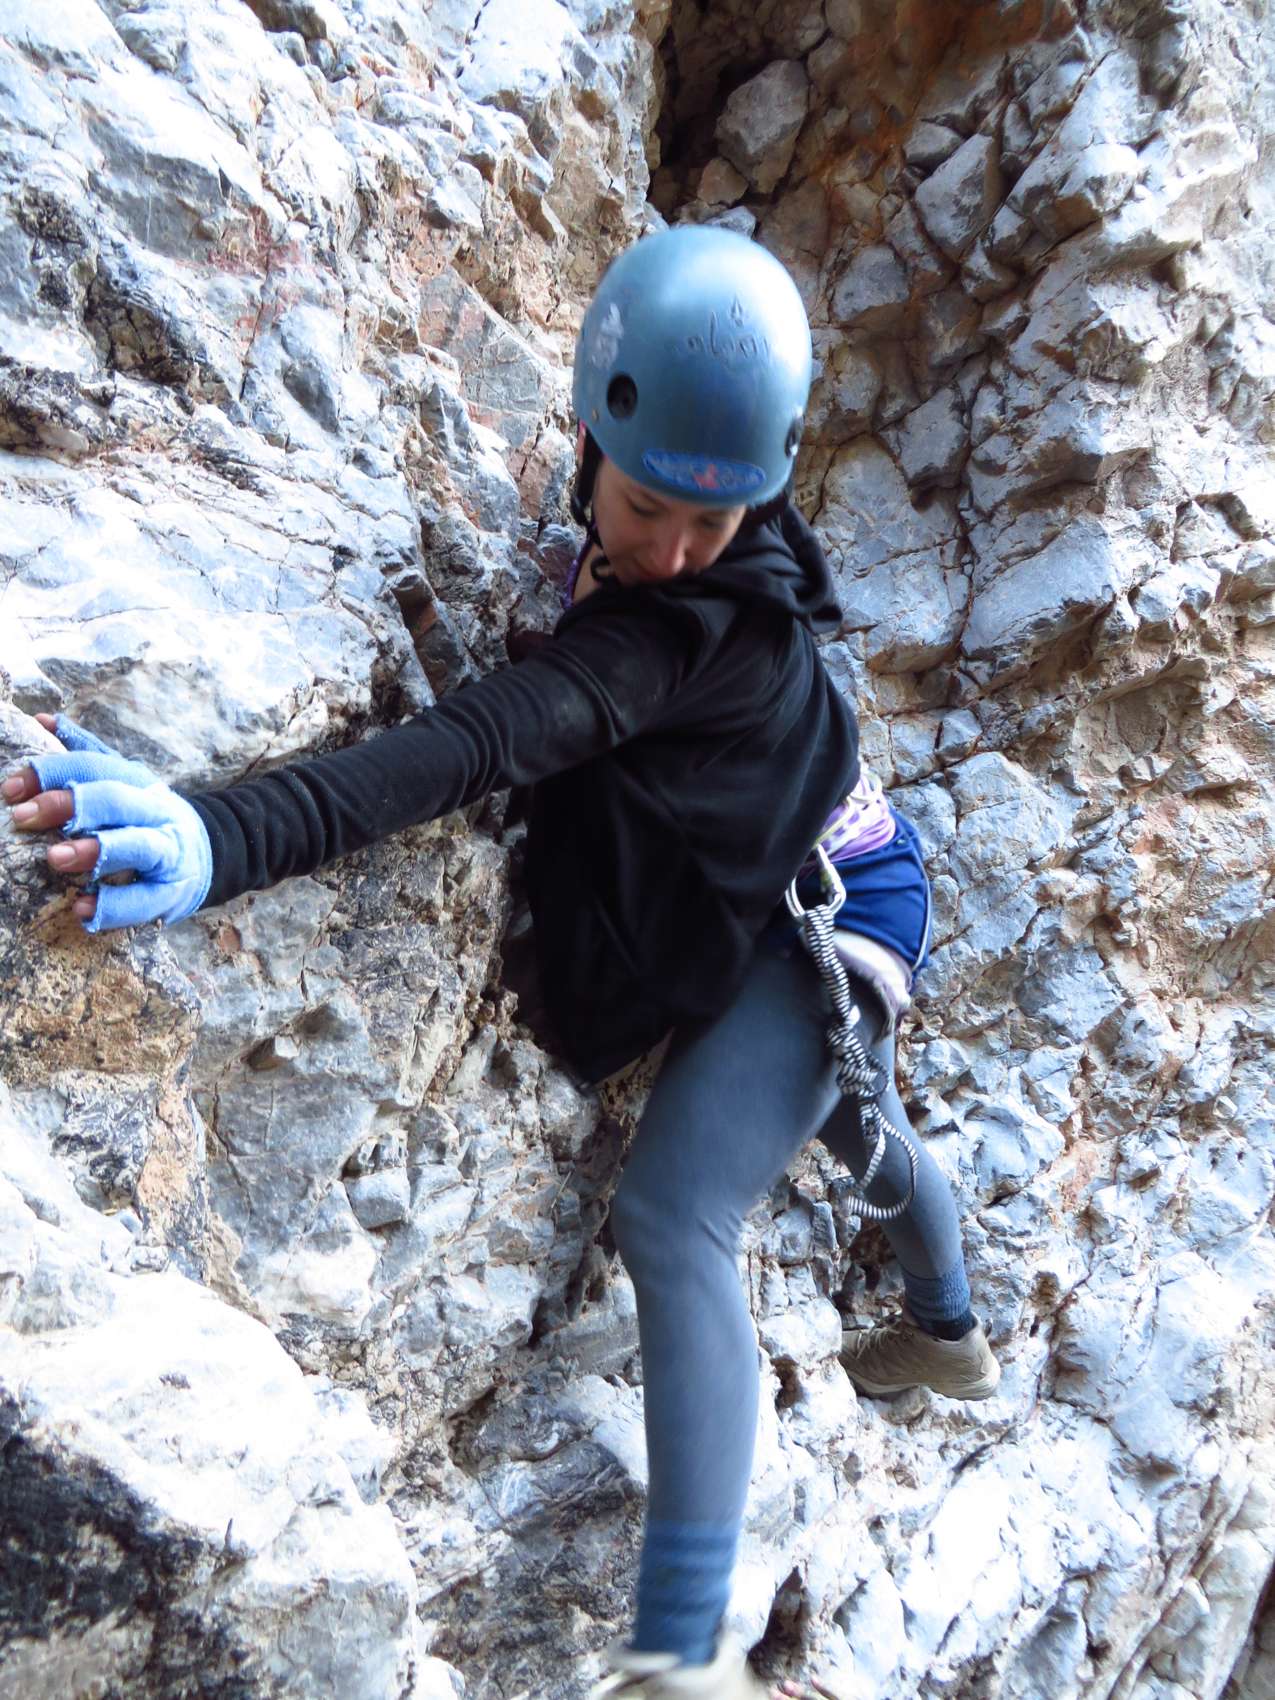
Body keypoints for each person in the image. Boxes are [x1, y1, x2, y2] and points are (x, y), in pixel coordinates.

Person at [5, 226, 998, 1700]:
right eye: (647, 508)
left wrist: (226, 833)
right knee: (854, 1119)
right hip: (779, 856)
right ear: (593, 434)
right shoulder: (688, 520)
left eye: (710, 526)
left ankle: (690, 1649)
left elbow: (471, 745)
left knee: (683, 1210)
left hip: (834, 899)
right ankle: (950, 1330)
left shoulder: (672, 638)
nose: (673, 553)